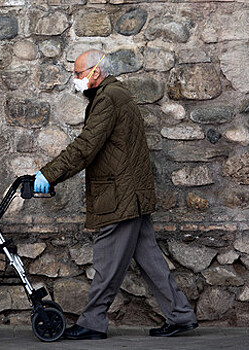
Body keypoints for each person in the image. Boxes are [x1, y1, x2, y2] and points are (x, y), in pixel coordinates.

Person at [33, 49, 198, 340]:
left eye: (79, 74)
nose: (75, 79)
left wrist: (48, 174)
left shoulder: (108, 98)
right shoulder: (115, 94)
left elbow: (86, 146)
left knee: (107, 261)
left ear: (96, 72)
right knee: (150, 260)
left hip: (119, 195)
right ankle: (181, 315)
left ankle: (93, 322)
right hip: (130, 193)